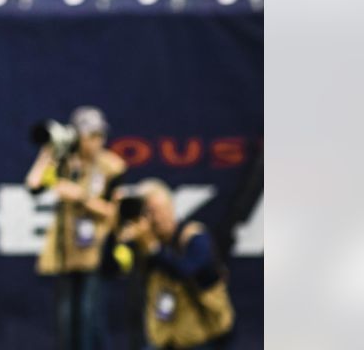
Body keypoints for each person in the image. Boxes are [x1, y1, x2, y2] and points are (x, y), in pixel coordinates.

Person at [25, 106, 127, 350]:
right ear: (78, 137)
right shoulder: (65, 163)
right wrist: (49, 151)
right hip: (67, 248)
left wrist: (82, 198)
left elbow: (115, 212)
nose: (97, 142)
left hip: (96, 248)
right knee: (66, 317)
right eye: (91, 136)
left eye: (100, 136)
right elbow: (33, 184)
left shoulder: (111, 166)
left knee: (90, 316)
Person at [117, 180, 235, 350]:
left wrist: (152, 247)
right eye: (147, 213)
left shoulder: (193, 237)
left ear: (171, 207)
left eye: (158, 211)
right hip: (164, 338)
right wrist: (116, 225)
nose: (155, 219)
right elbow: (110, 266)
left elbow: (184, 270)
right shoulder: (144, 242)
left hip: (203, 338)